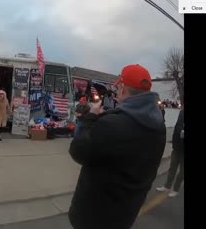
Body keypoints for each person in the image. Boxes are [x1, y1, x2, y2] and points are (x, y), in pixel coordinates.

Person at [68, 64, 166, 229]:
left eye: (118, 88)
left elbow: (77, 150)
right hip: (126, 212)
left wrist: (90, 118)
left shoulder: (113, 123)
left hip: (95, 215)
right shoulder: (158, 126)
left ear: (123, 89)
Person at [156, 105, 184, 197]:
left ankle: (175, 189)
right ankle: (167, 186)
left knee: (182, 172)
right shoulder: (181, 113)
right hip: (177, 147)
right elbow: (177, 129)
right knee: (172, 168)